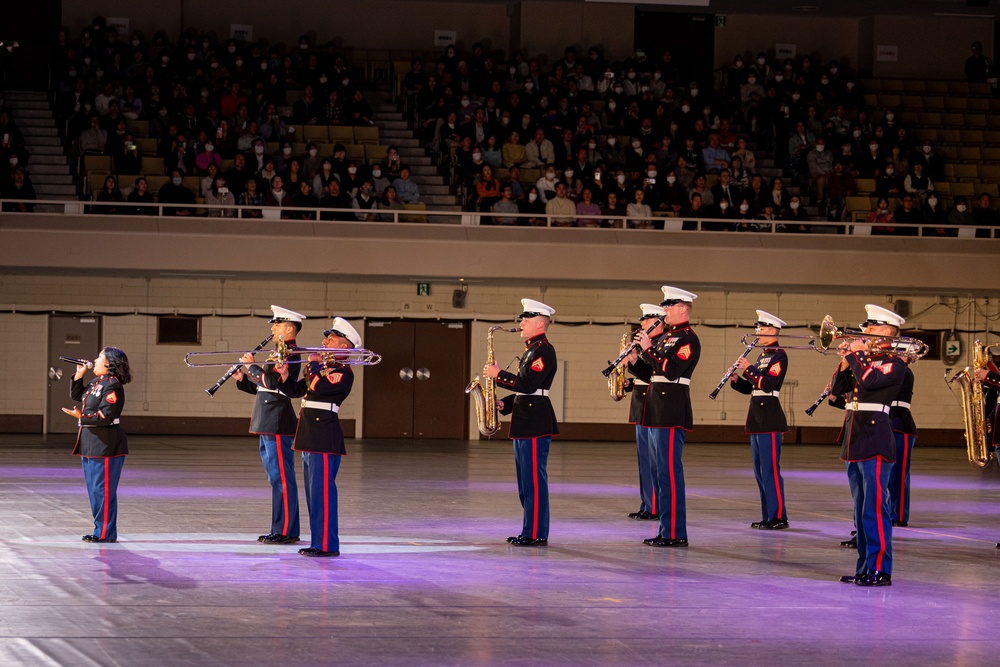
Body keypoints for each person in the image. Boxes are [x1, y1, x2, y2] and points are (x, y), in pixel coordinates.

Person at [831, 304, 908, 587]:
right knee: (860, 510)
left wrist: (856, 355)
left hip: (875, 440)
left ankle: (879, 569)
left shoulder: (895, 363)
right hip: (857, 439)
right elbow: (838, 391)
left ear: (887, 332)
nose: (865, 331)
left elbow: (869, 381)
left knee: (875, 509)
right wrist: (844, 361)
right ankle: (864, 567)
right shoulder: (865, 359)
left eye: (871, 327)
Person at [277, 318, 361, 558]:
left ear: (344, 347)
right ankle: (318, 542)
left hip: (323, 436)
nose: (324, 342)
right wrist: (284, 375)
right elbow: (296, 391)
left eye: (331, 339)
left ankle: (327, 545)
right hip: (309, 436)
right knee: (314, 494)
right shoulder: (324, 369)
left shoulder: (343, 373)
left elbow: (319, 389)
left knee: (322, 493)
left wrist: (313, 365)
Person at [482, 299, 559, 546]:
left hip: (535, 421)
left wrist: (498, 375)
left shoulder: (543, 350)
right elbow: (526, 390)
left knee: (534, 481)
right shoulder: (531, 350)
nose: (521, 323)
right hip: (525, 419)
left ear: (539, 323)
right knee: (525, 483)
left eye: (526, 319)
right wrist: (505, 403)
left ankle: (535, 532)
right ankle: (529, 529)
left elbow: (527, 385)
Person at [632, 286, 700, 547]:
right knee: (659, 472)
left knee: (669, 473)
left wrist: (648, 350)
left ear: (683, 308)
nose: (665, 311)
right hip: (656, 410)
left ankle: (675, 532)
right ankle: (665, 529)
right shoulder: (665, 338)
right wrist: (634, 361)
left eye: (669, 307)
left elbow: (671, 372)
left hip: (671, 410)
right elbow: (651, 373)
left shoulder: (688, 339)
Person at [233, 306, 304, 545]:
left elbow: (273, 383)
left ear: (289, 329)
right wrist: (244, 379)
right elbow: (264, 386)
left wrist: (251, 367)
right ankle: (280, 527)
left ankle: (286, 530)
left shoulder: (290, 353)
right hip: (267, 420)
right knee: (276, 478)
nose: (272, 328)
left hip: (277, 420)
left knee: (282, 478)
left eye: (277, 324)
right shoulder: (278, 352)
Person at [63, 347, 133, 543]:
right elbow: (79, 396)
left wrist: (81, 416)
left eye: (99, 357)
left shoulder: (114, 386)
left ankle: (105, 534)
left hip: (106, 445)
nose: (95, 360)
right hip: (91, 444)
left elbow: (105, 416)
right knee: (94, 491)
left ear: (109, 364)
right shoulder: (97, 383)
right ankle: (99, 529)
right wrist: (79, 374)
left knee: (103, 491)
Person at [729, 311, 790, 530]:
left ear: (773, 331)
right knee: (760, 471)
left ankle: (778, 516)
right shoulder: (763, 356)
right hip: (757, 418)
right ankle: (768, 515)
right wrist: (737, 380)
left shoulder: (779, 356)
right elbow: (753, 388)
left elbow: (768, 385)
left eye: (762, 329)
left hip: (770, 419)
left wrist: (748, 368)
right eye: (758, 329)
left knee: (770, 470)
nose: (758, 333)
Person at [624, 304, 663, 521]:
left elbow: (653, 375)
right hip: (640, 403)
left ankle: (654, 505)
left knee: (652, 460)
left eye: (646, 320)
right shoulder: (648, 345)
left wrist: (637, 359)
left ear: (658, 321)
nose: (642, 324)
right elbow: (643, 374)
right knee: (643, 460)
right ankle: (647, 502)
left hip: (652, 404)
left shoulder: (658, 345)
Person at [888, 347, 918, 528]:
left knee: (898, 473)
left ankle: (899, 515)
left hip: (901, 425)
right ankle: (891, 511)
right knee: (888, 473)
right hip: (889, 422)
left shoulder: (904, 372)